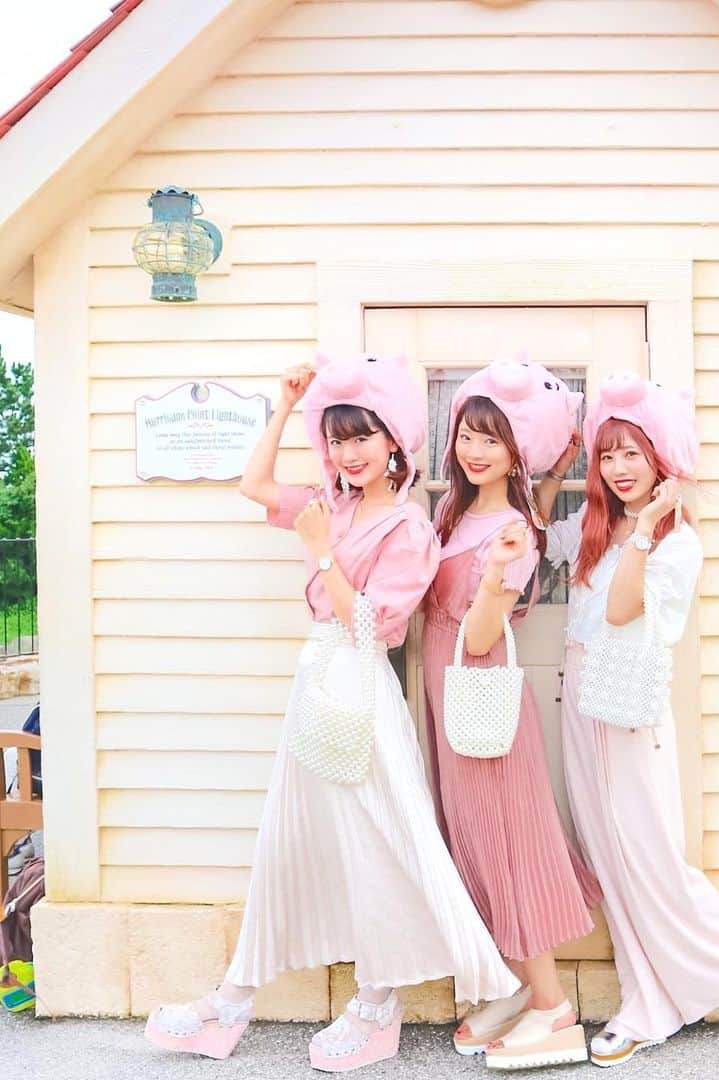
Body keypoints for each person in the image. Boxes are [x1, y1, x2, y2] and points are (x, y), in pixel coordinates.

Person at [145, 353, 517, 1071]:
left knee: (379, 840)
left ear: (393, 442)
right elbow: (254, 485)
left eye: (361, 438)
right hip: (317, 679)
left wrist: (321, 555)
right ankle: (232, 1001)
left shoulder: (408, 529)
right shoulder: (333, 505)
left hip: (359, 686)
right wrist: (287, 406)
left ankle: (375, 1005)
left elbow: (374, 627)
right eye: (337, 440)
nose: (347, 454)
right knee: (285, 841)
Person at [537, 373, 719, 1068]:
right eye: (608, 454)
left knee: (647, 856)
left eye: (633, 453)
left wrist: (647, 528)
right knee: (611, 859)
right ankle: (646, 1002)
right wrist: (559, 470)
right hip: (582, 701)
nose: (618, 468)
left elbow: (623, 610)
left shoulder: (677, 543)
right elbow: (534, 538)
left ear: (661, 458)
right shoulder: (594, 528)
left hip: (628, 710)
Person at [421, 358, 601, 1070]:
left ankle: (554, 1007)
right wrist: (554, 473)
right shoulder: (459, 511)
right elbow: (536, 509)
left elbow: (480, 636)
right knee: (475, 839)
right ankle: (523, 988)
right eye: (467, 434)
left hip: (480, 687)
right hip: (448, 689)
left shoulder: (514, 536)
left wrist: (495, 578)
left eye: (492, 439)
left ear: (514, 448)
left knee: (507, 842)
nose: (474, 450)